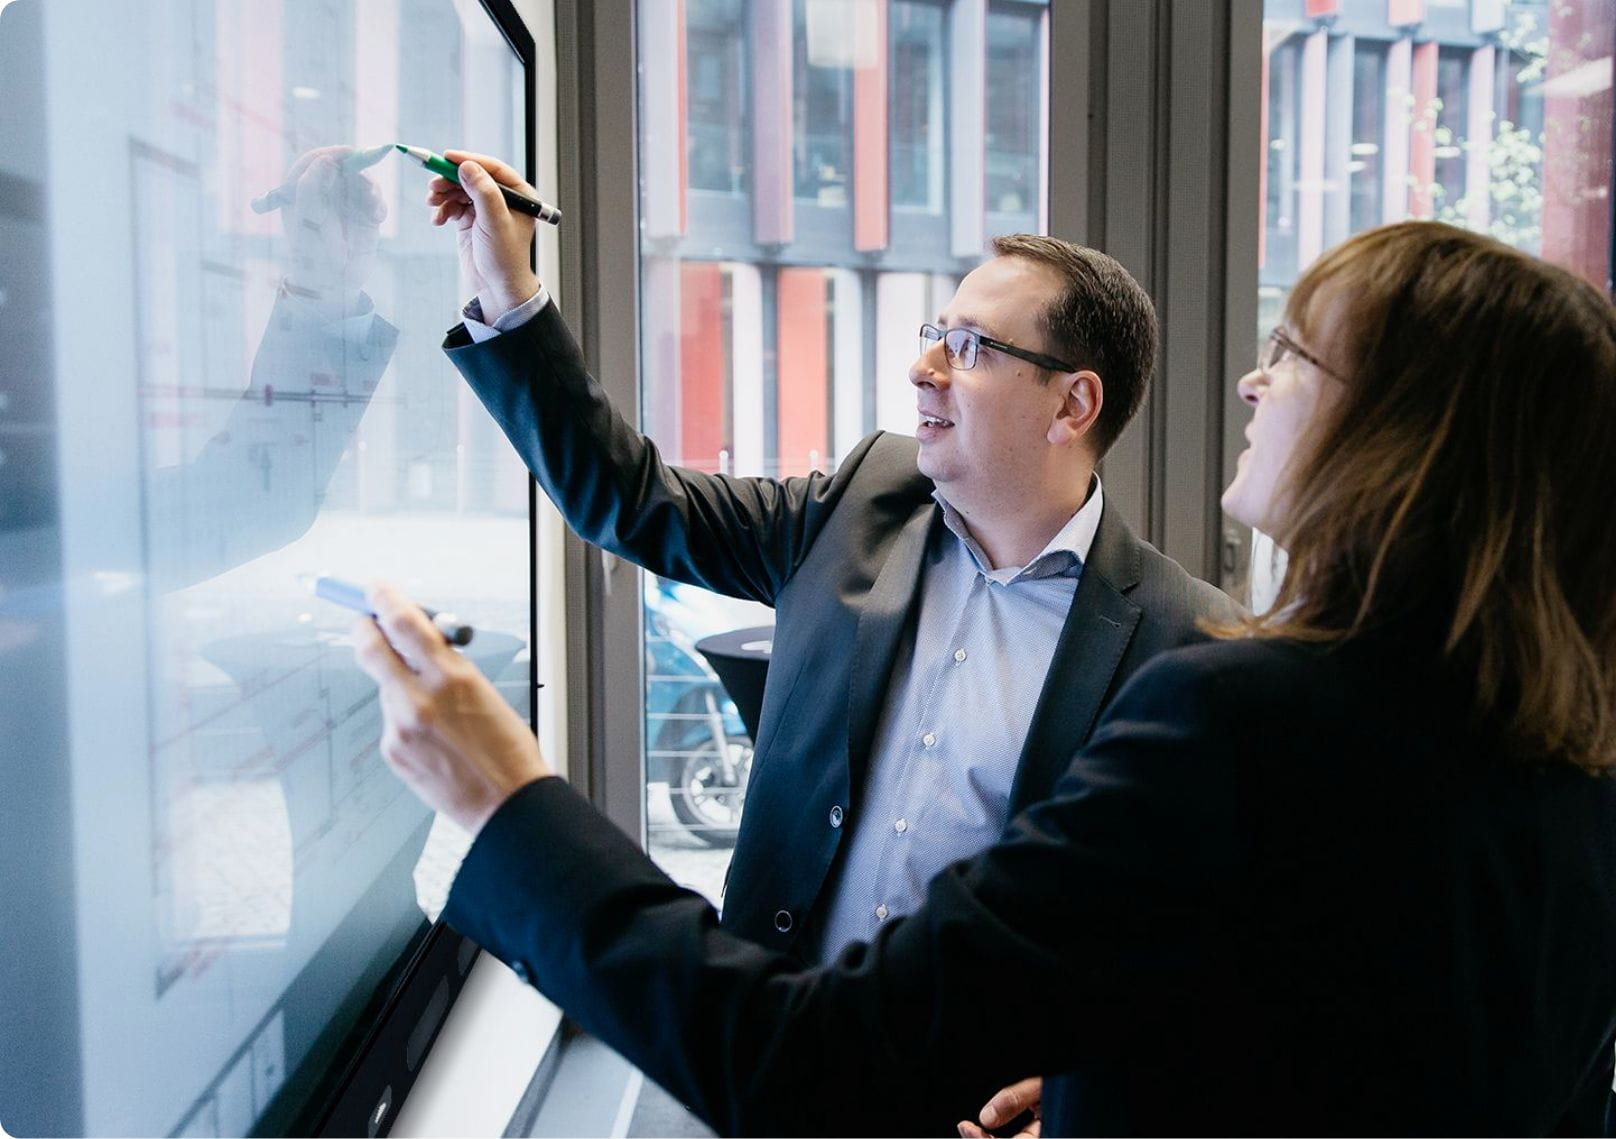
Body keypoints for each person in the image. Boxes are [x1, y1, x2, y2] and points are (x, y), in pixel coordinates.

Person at [356, 219, 1616, 1135]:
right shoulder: (1563, 771)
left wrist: (513, 807)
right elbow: (1297, 1043)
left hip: (852, 1069)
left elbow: (829, 1054)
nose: (1250, 376)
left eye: (1293, 353)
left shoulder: (1213, 676)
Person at [423, 151, 1237, 963]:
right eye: (933, 336)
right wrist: (509, 291)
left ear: (1073, 403)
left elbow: (1179, 931)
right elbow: (629, 501)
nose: (923, 369)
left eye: (967, 346)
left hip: (975, 1084)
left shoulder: (1179, 640)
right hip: (779, 1039)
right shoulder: (863, 503)